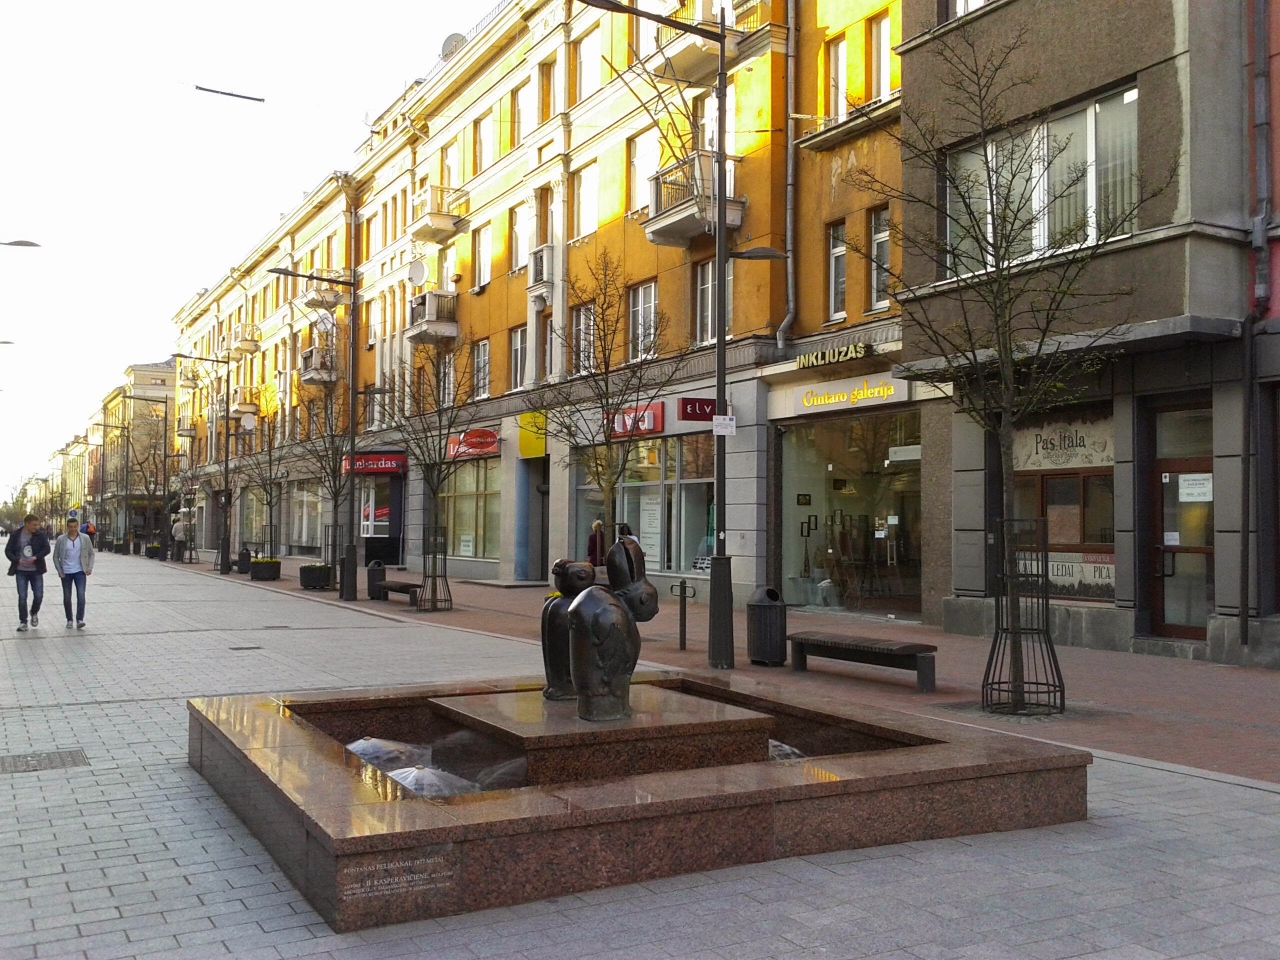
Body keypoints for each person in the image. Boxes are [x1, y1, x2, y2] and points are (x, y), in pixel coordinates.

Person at [5, 514, 50, 631]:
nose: (37, 527)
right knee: (22, 596)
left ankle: (34, 612)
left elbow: (47, 549)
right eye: (34, 525)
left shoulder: (40, 535)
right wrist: (16, 560)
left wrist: (36, 557)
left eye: (38, 525)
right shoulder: (16, 535)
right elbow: (8, 550)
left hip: (36, 570)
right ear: (27, 524)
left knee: (39, 595)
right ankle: (23, 621)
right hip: (21, 570)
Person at [53, 517, 94, 629]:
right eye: (70, 527)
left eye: (75, 527)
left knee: (81, 595)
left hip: (80, 571)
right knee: (67, 596)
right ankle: (69, 619)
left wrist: (89, 567)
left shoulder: (85, 538)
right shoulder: (61, 539)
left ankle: (80, 619)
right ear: (67, 527)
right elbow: (55, 556)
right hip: (66, 572)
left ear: (78, 526)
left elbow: (91, 553)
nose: (73, 529)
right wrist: (59, 570)